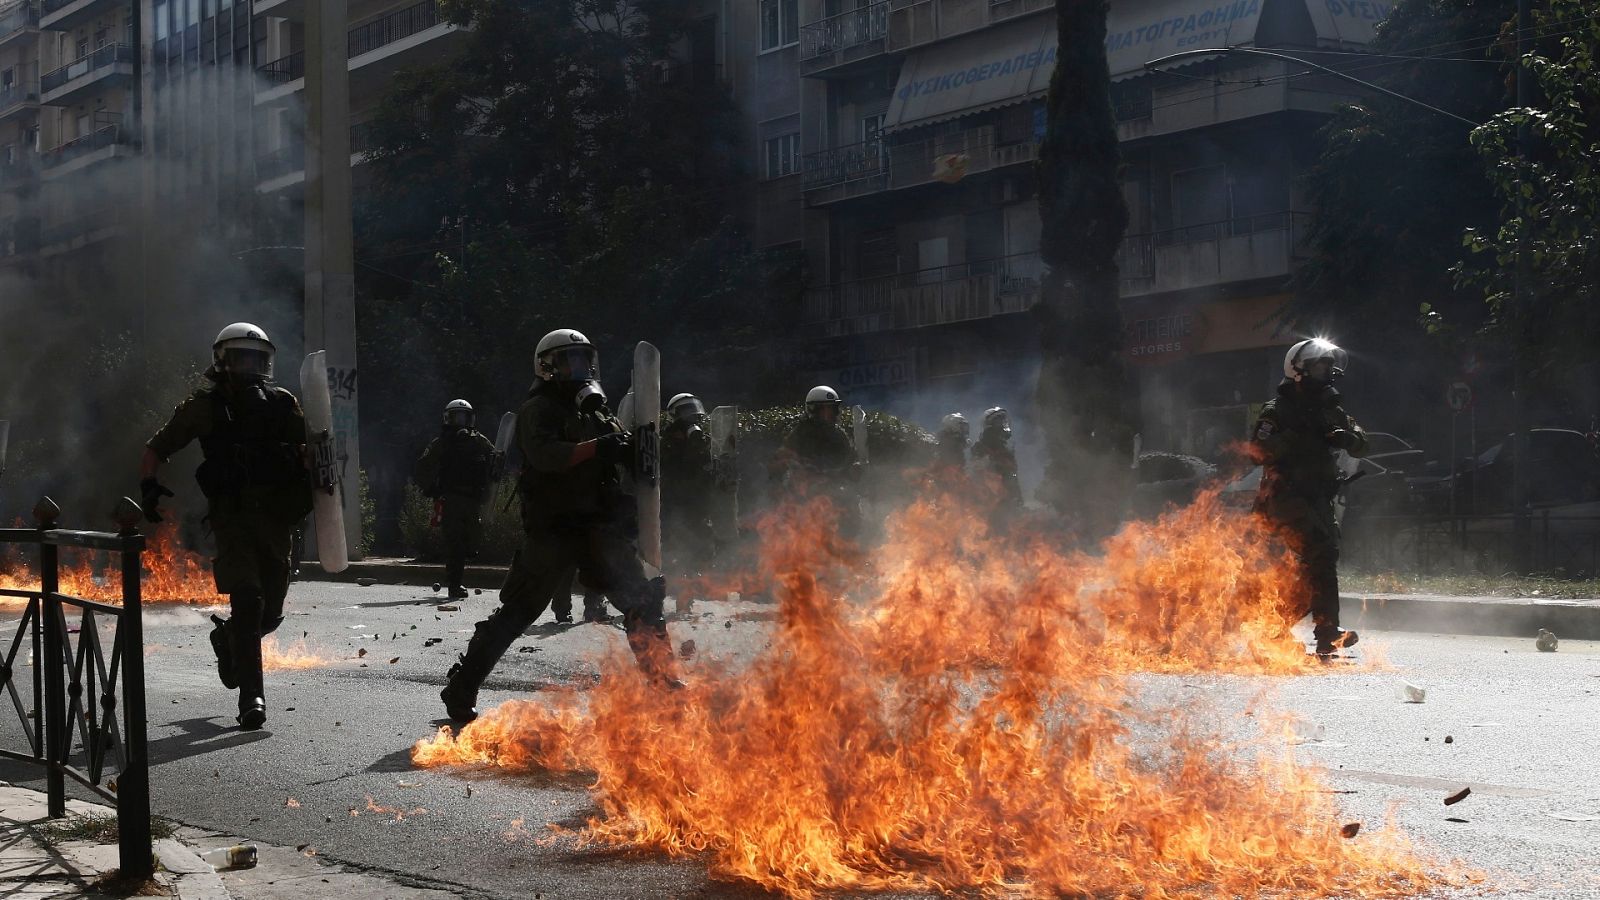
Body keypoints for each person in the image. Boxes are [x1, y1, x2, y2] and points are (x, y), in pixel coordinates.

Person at [440, 328, 678, 723]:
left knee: (642, 602)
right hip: (555, 528)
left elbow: (618, 450)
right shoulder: (539, 409)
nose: (580, 367)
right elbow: (547, 456)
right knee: (518, 612)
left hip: (598, 526)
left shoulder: (596, 409)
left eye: (584, 359)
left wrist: (632, 449)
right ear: (547, 365)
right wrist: (598, 448)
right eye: (571, 359)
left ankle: (663, 685)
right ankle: (462, 687)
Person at [139, 323, 312, 730]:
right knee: (248, 599)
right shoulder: (205, 407)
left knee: (270, 613)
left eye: (257, 357)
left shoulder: (282, 403)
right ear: (223, 361)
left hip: (275, 519)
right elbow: (156, 447)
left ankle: (227, 638)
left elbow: (313, 447)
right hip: (232, 518)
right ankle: (252, 697)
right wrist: (148, 485)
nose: (251, 365)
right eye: (242, 357)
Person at [1251, 338, 1369, 657]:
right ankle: (1324, 631)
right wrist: (1293, 436)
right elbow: (1258, 452)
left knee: (1320, 563)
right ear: (1299, 370)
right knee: (1322, 555)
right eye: (1319, 365)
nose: (1326, 371)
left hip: (1318, 499)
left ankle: (1280, 628)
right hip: (1285, 498)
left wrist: (1347, 438)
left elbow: (1362, 444)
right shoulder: (1277, 410)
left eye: (1329, 366)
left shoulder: (1332, 409)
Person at [413, 399, 497, 600]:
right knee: (455, 544)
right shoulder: (441, 443)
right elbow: (422, 468)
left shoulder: (478, 440)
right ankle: (454, 585)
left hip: (473, 499)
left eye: (464, 417)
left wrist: (495, 468)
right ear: (448, 419)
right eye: (456, 417)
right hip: (450, 500)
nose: (460, 422)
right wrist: (431, 489)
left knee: (472, 543)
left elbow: (494, 456)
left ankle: (457, 575)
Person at [773, 386, 860, 533]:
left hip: (837, 493)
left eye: (835, 408)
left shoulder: (839, 435)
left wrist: (854, 469)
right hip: (807, 497)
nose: (835, 413)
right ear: (814, 410)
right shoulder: (799, 435)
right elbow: (786, 463)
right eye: (830, 409)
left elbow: (849, 460)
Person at [661, 393, 716, 577]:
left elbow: (706, 468)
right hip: (675, 501)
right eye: (686, 411)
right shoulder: (668, 440)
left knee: (701, 540)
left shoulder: (701, 439)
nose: (691, 415)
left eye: (693, 410)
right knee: (673, 540)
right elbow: (672, 469)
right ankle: (673, 580)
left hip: (697, 501)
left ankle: (695, 579)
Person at [971, 406, 1022, 509]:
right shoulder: (982, 447)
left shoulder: (1005, 447)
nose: (1003, 424)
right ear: (990, 425)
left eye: (1003, 420)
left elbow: (1011, 475)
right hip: (992, 502)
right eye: (998, 421)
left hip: (1008, 499)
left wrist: (1017, 496)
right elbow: (980, 475)